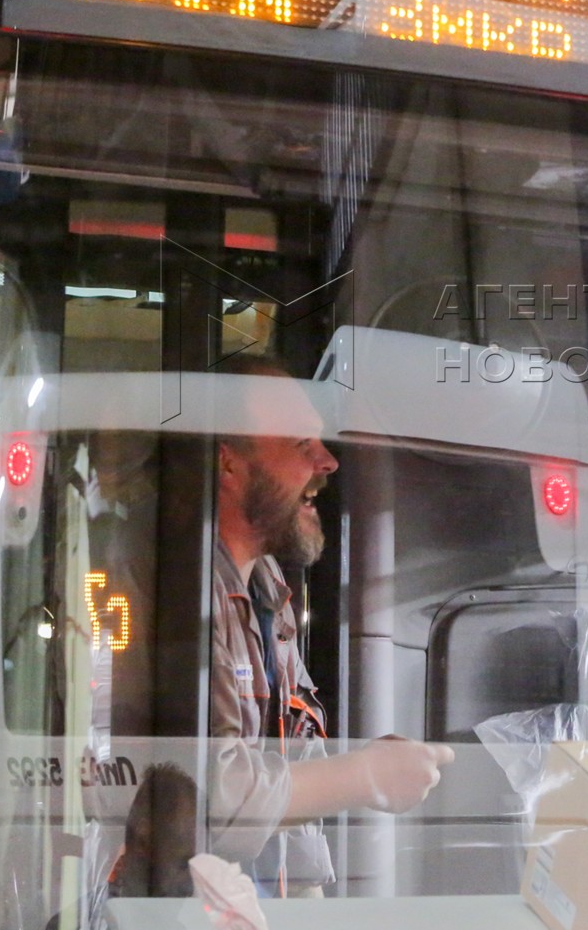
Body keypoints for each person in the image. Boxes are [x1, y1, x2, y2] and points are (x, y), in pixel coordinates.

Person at [207, 355, 453, 896]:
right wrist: (364, 776)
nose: (328, 462)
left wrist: (312, 908)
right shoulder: (181, 593)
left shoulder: (269, 588)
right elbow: (215, 802)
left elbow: (291, 767)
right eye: (302, 444)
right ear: (228, 464)